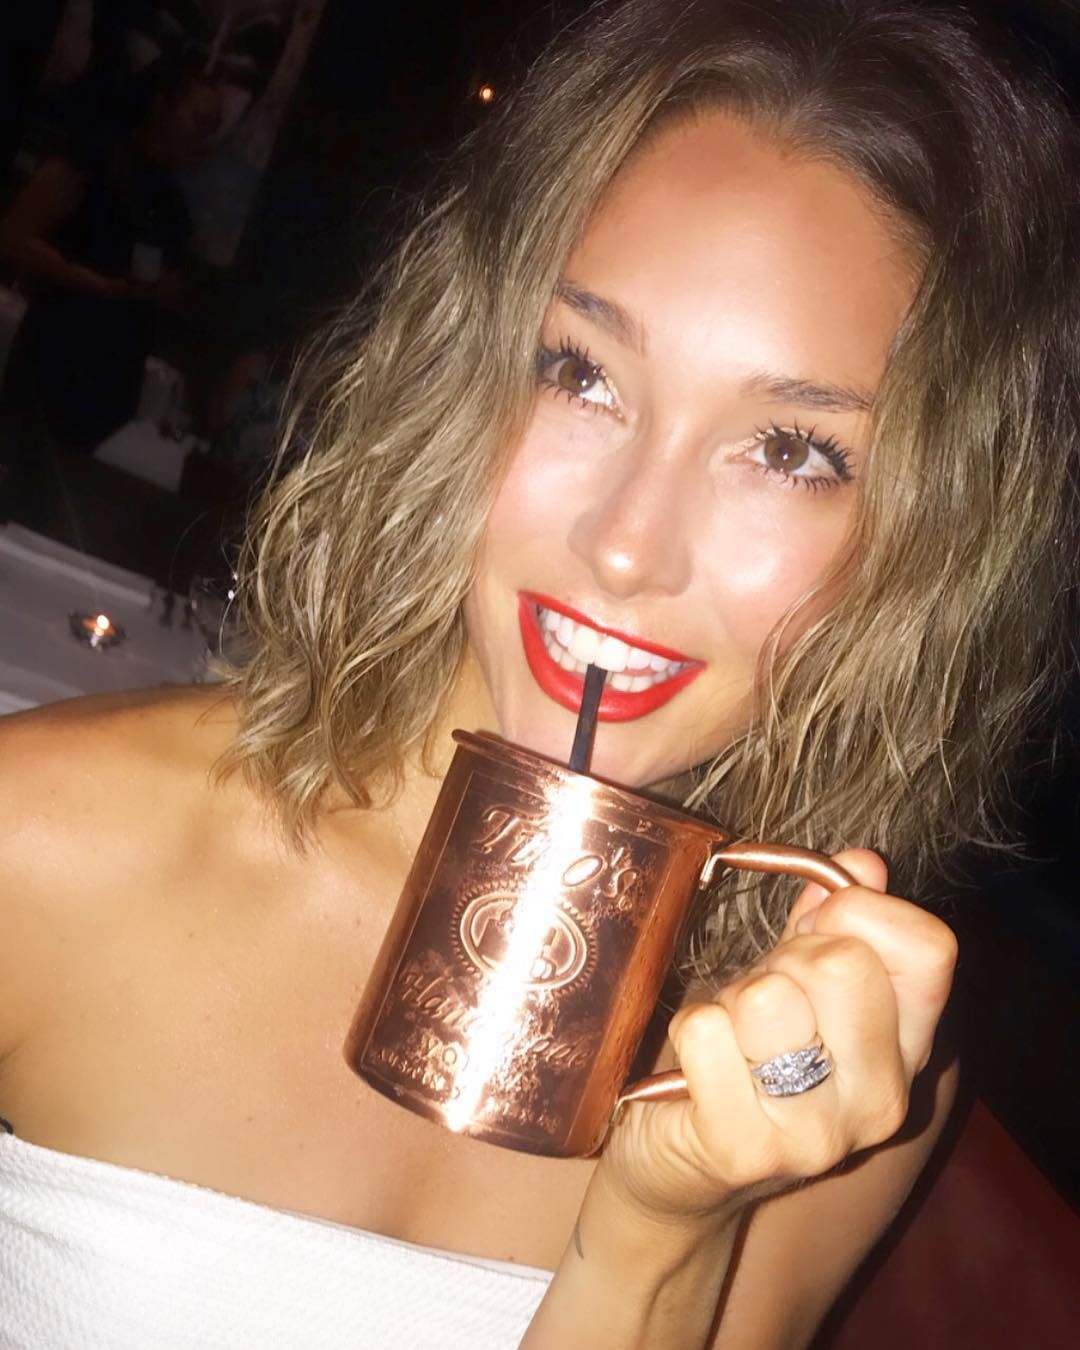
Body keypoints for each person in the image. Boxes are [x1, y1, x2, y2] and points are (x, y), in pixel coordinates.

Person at [0, 1, 1077, 1345]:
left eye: (792, 451)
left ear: (930, 543)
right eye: (583, 373)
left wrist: (659, 1241)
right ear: (463, 371)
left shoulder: (831, 1079)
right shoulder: (36, 844)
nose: (625, 545)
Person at [0, 55, 221, 456]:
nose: (205, 141)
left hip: (114, 384)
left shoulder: (173, 205)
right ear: (161, 106)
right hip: (51, 357)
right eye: (199, 122)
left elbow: (176, 289)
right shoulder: (93, 158)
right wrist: (91, 282)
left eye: (213, 131)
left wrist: (167, 292)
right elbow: (15, 238)